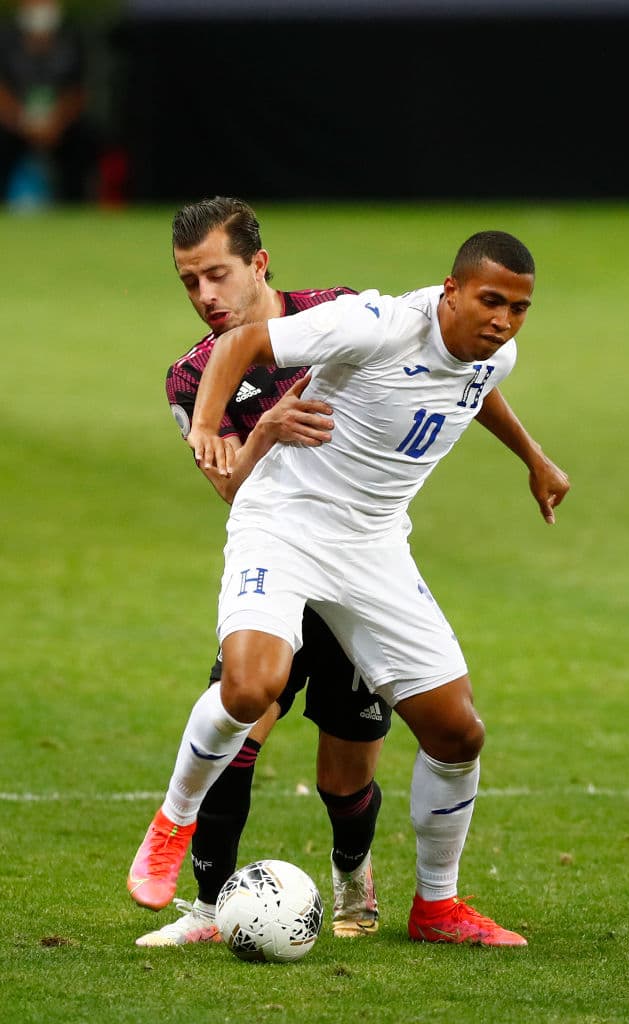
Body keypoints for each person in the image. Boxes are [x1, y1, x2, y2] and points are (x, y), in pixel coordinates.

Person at [130, 227, 570, 946]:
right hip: (284, 522)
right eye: (490, 301)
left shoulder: (496, 349)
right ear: (449, 291)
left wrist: (534, 457)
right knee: (249, 686)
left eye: (518, 308)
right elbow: (244, 344)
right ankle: (171, 824)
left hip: (373, 547)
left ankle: (435, 908)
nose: (502, 320)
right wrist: (211, 425)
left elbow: (476, 385)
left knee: (457, 732)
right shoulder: (374, 323)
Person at [130, 196, 392, 947]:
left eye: (216, 275)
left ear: (258, 264)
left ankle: (352, 883)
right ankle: (210, 912)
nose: (204, 297)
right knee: (236, 724)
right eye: (188, 283)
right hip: (272, 571)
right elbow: (229, 488)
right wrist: (267, 433)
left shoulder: (339, 317)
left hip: (352, 570)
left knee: (346, 775)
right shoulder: (191, 380)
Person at [0, 0, 97, 205]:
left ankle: (77, 207)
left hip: (60, 123)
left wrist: (56, 123)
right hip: (15, 122)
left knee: (84, 140)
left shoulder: (72, 36)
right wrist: (21, 122)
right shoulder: (6, 38)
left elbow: (79, 92)